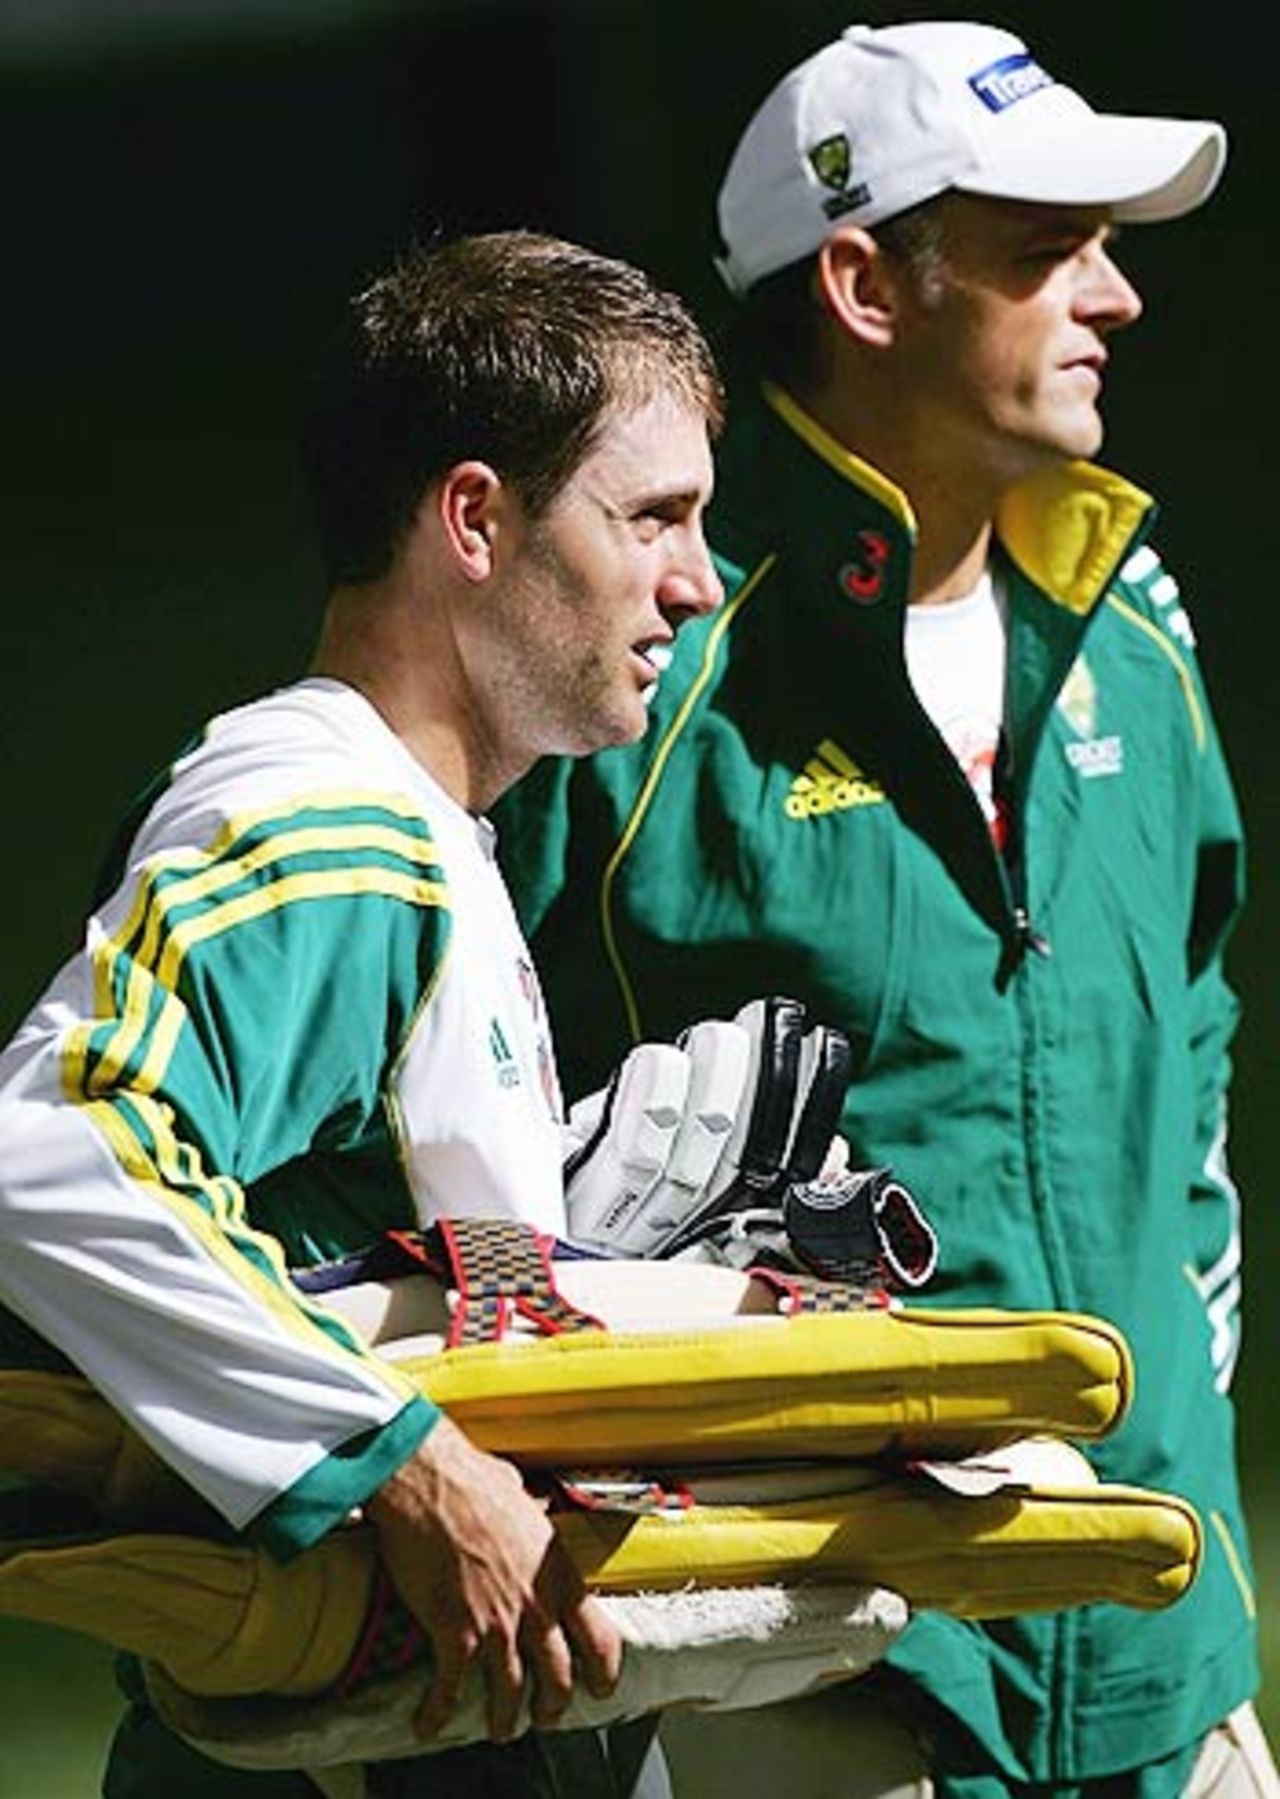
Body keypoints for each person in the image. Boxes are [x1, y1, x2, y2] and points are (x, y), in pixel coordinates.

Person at [495, 23, 1276, 1799]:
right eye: (1043, 250)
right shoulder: (647, 662)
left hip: (1168, 1644)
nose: (1116, 296)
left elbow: (1199, 1044)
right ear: (863, 284)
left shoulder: (1135, 640)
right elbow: (432, 1099)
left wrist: (1181, 1405)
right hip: (818, 1671)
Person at [0, 228, 723, 1798]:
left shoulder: (424, 840)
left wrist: (586, 1269)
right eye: (651, 516)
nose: (697, 581)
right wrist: (410, 1470)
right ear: (474, 520)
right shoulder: (337, 831)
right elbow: (50, 1147)